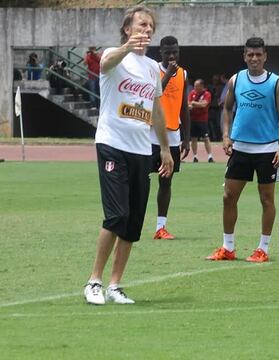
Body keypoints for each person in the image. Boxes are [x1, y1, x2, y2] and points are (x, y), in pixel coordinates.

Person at [83, 6, 174, 305]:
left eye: (150, 26)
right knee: (116, 215)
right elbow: (106, 63)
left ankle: (115, 285)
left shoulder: (151, 68)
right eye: (141, 25)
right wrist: (125, 47)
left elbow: (156, 110)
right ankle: (94, 281)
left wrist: (163, 148)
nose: (146, 30)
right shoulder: (114, 54)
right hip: (112, 144)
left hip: (140, 150)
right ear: (127, 28)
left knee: (133, 221)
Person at [206, 37, 279, 263]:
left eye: (258, 55)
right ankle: (228, 247)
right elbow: (227, 109)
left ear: (265, 56)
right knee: (228, 197)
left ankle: (262, 248)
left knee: (266, 200)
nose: (254, 58)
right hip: (240, 148)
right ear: (244, 56)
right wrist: (225, 135)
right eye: (250, 55)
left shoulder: (276, 83)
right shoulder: (236, 80)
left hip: (267, 150)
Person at [151, 35, 190, 240]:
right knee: (139, 179)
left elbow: (184, 106)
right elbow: (153, 94)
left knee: (166, 181)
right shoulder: (153, 70)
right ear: (161, 52)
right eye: (168, 52)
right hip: (150, 135)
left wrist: (187, 137)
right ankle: (131, 220)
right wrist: (168, 73)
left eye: (175, 51)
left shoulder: (183, 74)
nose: (172, 56)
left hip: (173, 135)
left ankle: (161, 227)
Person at [188, 79, 214, 163]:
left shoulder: (207, 94)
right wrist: (195, 104)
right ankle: (195, 156)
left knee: (206, 138)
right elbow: (188, 104)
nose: (194, 87)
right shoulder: (192, 93)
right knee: (193, 138)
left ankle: (210, 156)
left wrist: (194, 103)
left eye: (196, 86)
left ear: (201, 86)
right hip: (193, 119)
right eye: (194, 85)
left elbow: (204, 104)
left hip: (202, 120)